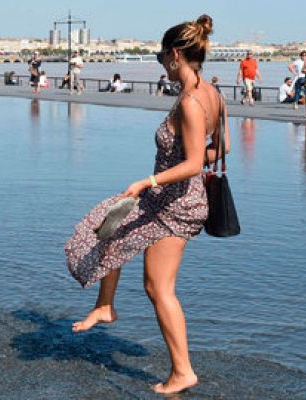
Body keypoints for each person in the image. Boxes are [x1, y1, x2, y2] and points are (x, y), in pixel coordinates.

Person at [66, 14, 228, 395]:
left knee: (159, 288)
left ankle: (183, 371)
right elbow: (222, 149)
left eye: (160, 59)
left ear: (174, 55)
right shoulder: (213, 95)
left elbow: (191, 163)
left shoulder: (190, 102)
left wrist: (148, 180)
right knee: (113, 225)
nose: (162, 65)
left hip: (176, 205)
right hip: (169, 199)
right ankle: (105, 305)